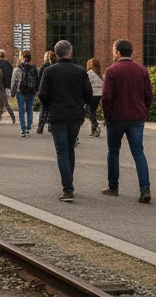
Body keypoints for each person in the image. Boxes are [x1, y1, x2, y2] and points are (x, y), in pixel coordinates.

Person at [101, 39, 153, 203]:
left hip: (117, 116)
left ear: (117, 52)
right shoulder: (142, 71)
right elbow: (148, 95)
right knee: (138, 152)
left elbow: (106, 97)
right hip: (137, 117)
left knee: (113, 151)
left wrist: (107, 116)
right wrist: (144, 111)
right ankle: (145, 189)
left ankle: (113, 186)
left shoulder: (112, 71)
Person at [38, 40, 90, 201]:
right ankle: (69, 182)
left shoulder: (50, 71)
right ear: (71, 53)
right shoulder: (80, 71)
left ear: (56, 53)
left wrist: (50, 105)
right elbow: (88, 94)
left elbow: (42, 94)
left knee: (62, 151)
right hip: (75, 116)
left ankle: (68, 188)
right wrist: (80, 103)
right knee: (70, 149)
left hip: (58, 115)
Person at [9, 50, 40, 137]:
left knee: (21, 110)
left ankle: (23, 129)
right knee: (29, 108)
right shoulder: (34, 68)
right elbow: (37, 80)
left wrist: (12, 92)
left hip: (20, 92)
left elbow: (14, 82)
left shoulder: (17, 69)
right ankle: (29, 125)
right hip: (31, 91)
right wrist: (36, 91)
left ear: (21, 58)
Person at [0, 50, 17, 126]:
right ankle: (12, 117)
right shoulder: (8, 64)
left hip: (0, 85)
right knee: (5, 103)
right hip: (6, 85)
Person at [35, 50, 55, 134]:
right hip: (53, 91)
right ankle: (50, 127)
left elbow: (39, 79)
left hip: (44, 91)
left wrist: (38, 90)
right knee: (51, 110)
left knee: (43, 110)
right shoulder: (55, 66)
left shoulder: (43, 66)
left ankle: (40, 127)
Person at [85, 58, 104, 137]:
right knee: (93, 111)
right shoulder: (99, 74)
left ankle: (96, 126)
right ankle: (93, 130)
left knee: (90, 110)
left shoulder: (89, 73)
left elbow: (86, 85)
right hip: (99, 95)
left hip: (92, 94)